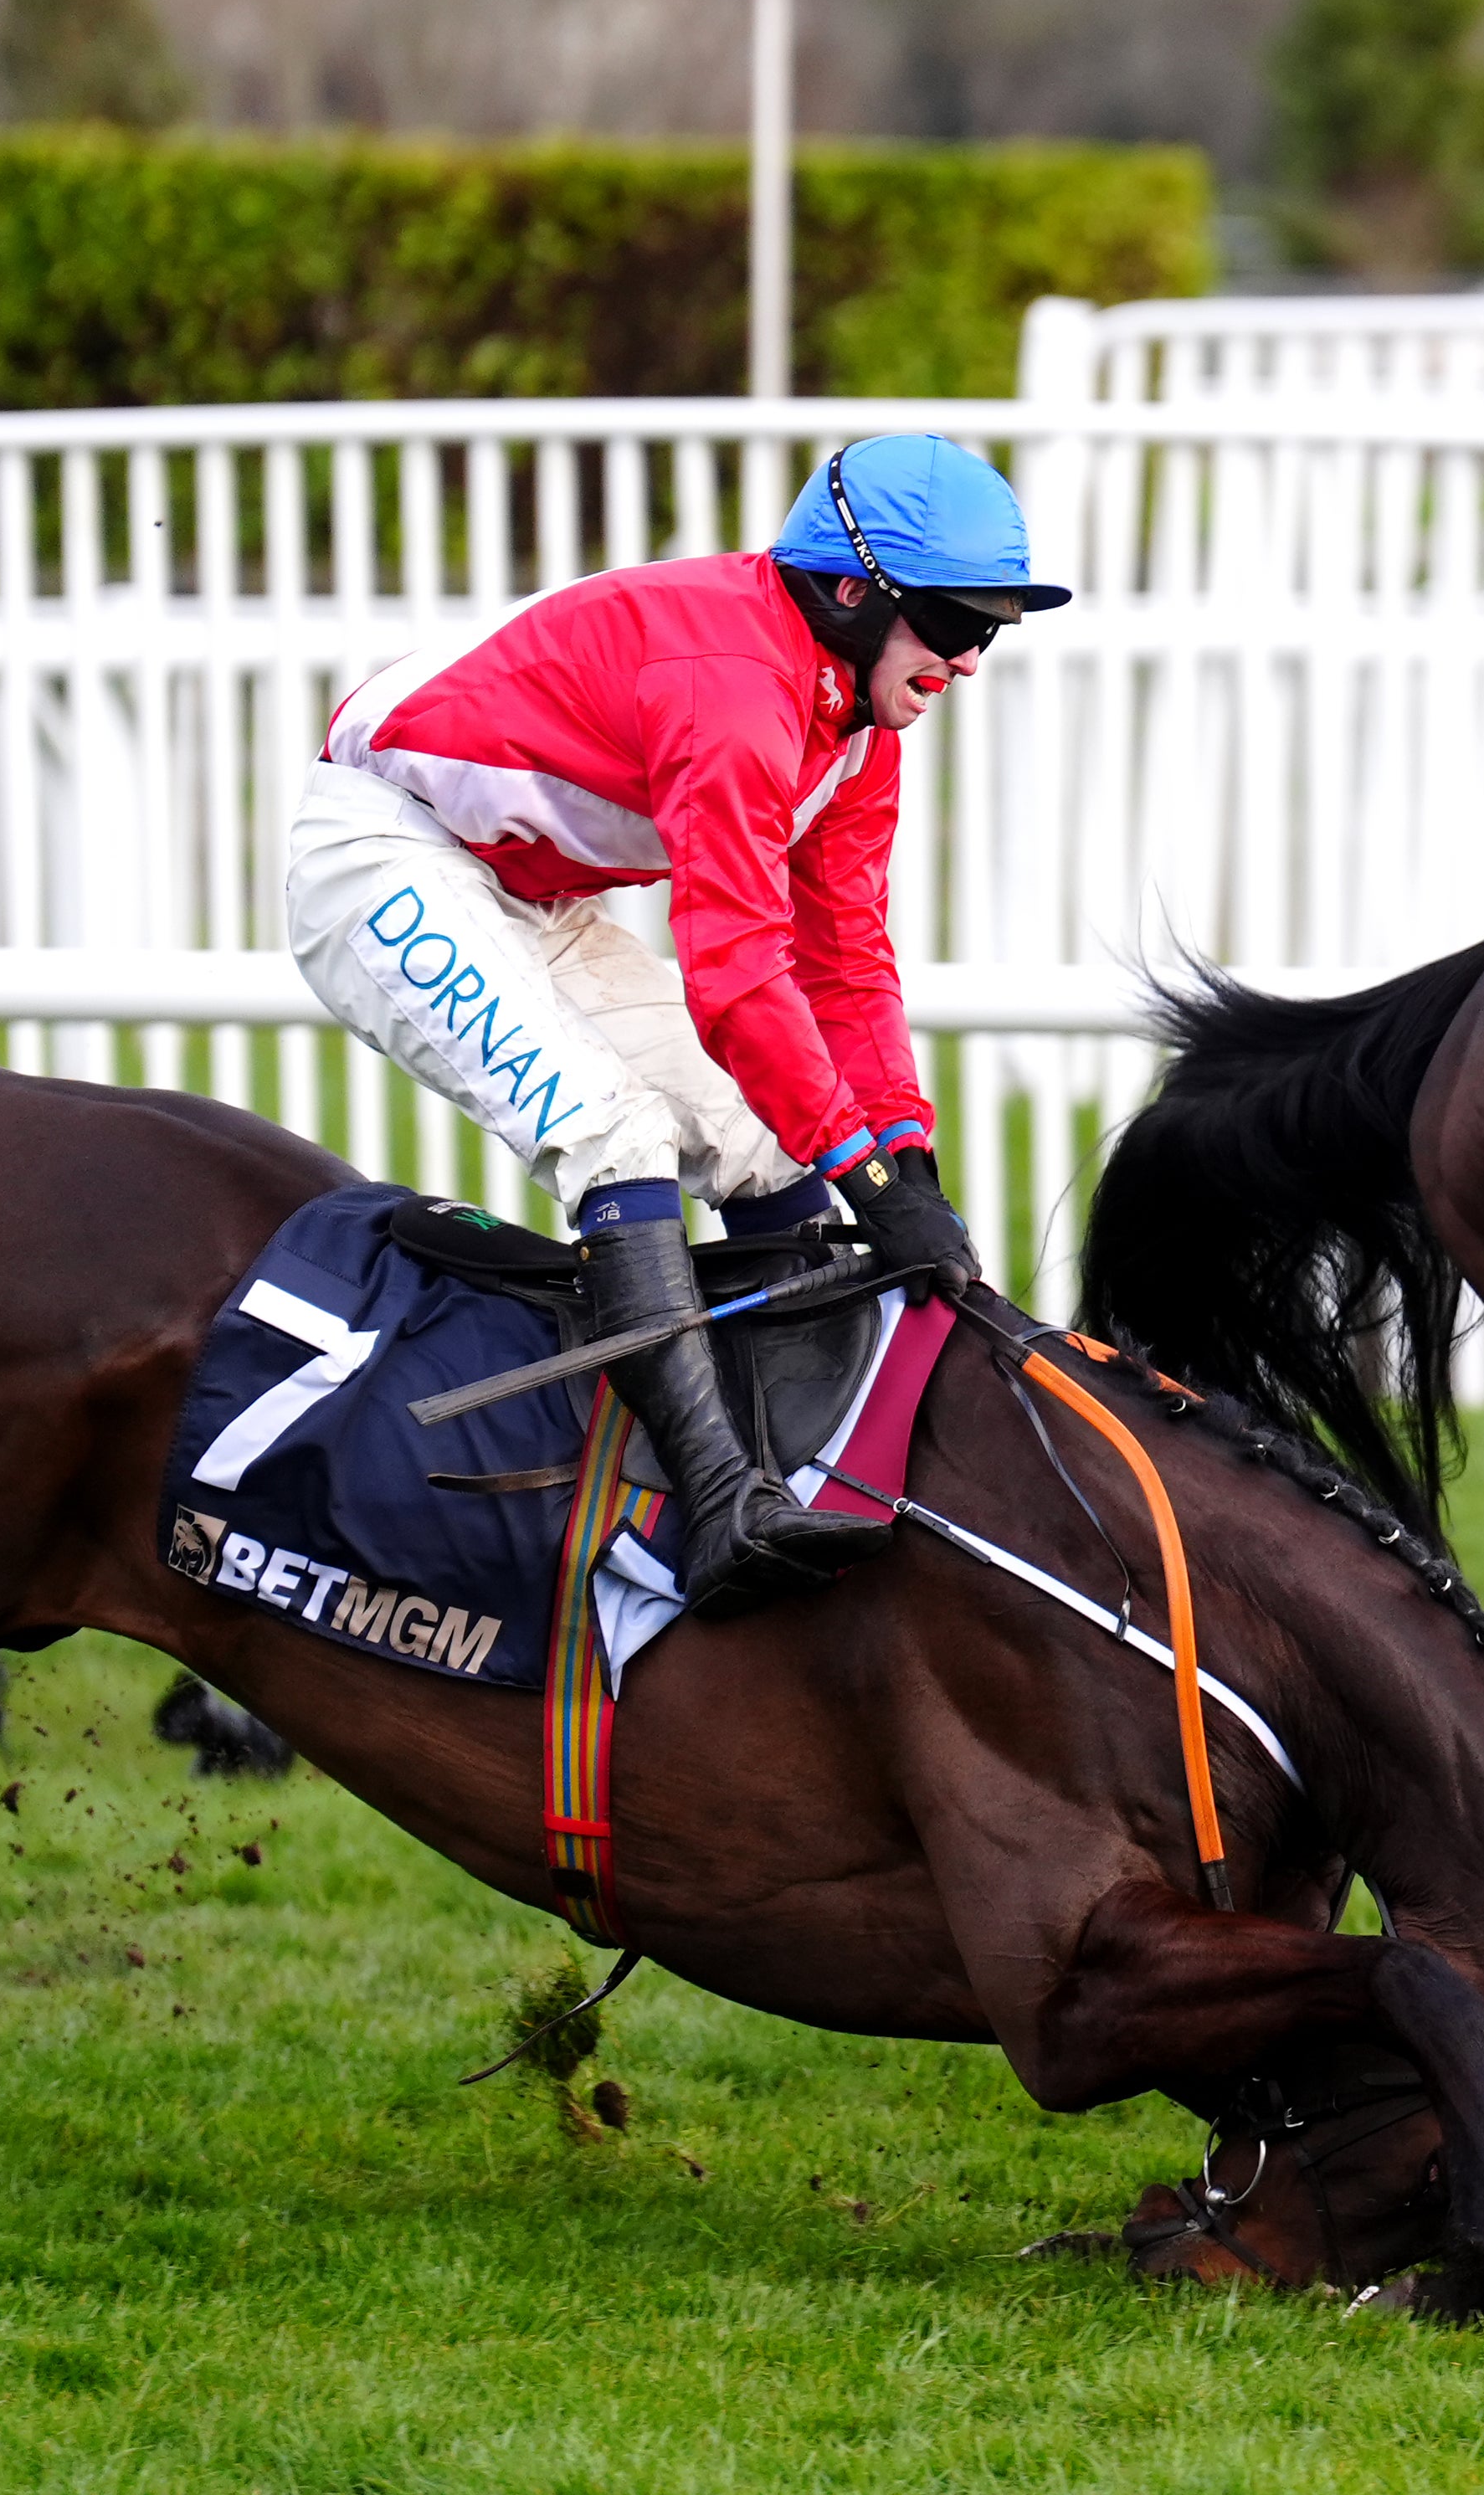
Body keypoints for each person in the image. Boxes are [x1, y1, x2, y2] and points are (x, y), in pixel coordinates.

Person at [285, 434, 1056, 1615]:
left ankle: (811, 1469)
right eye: (953, 623)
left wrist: (902, 1156)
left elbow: (845, 960)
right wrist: (865, 1178)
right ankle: (720, 1505)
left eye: (989, 632)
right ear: (850, 594)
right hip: (384, 850)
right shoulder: (734, 689)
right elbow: (737, 974)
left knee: (763, 1144)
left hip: (527, 892)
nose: (966, 661)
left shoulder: (856, 727)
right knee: (617, 1134)